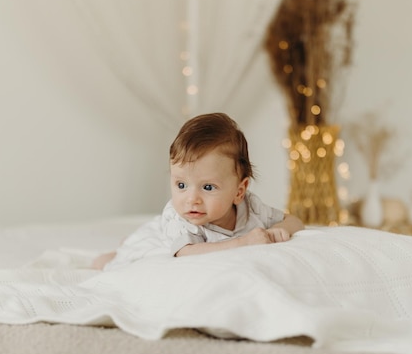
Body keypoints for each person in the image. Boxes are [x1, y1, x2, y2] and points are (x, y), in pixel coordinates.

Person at [92, 112, 304, 270]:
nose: (191, 199)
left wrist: (279, 230)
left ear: (240, 191)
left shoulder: (252, 208)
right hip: (164, 239)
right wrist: (242, 243)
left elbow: (295, 221)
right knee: (116, 260)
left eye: (208, 187)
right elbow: (186, 252)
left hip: (174, 235)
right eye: (181, 185)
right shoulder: (180, 218)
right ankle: (122, 246)